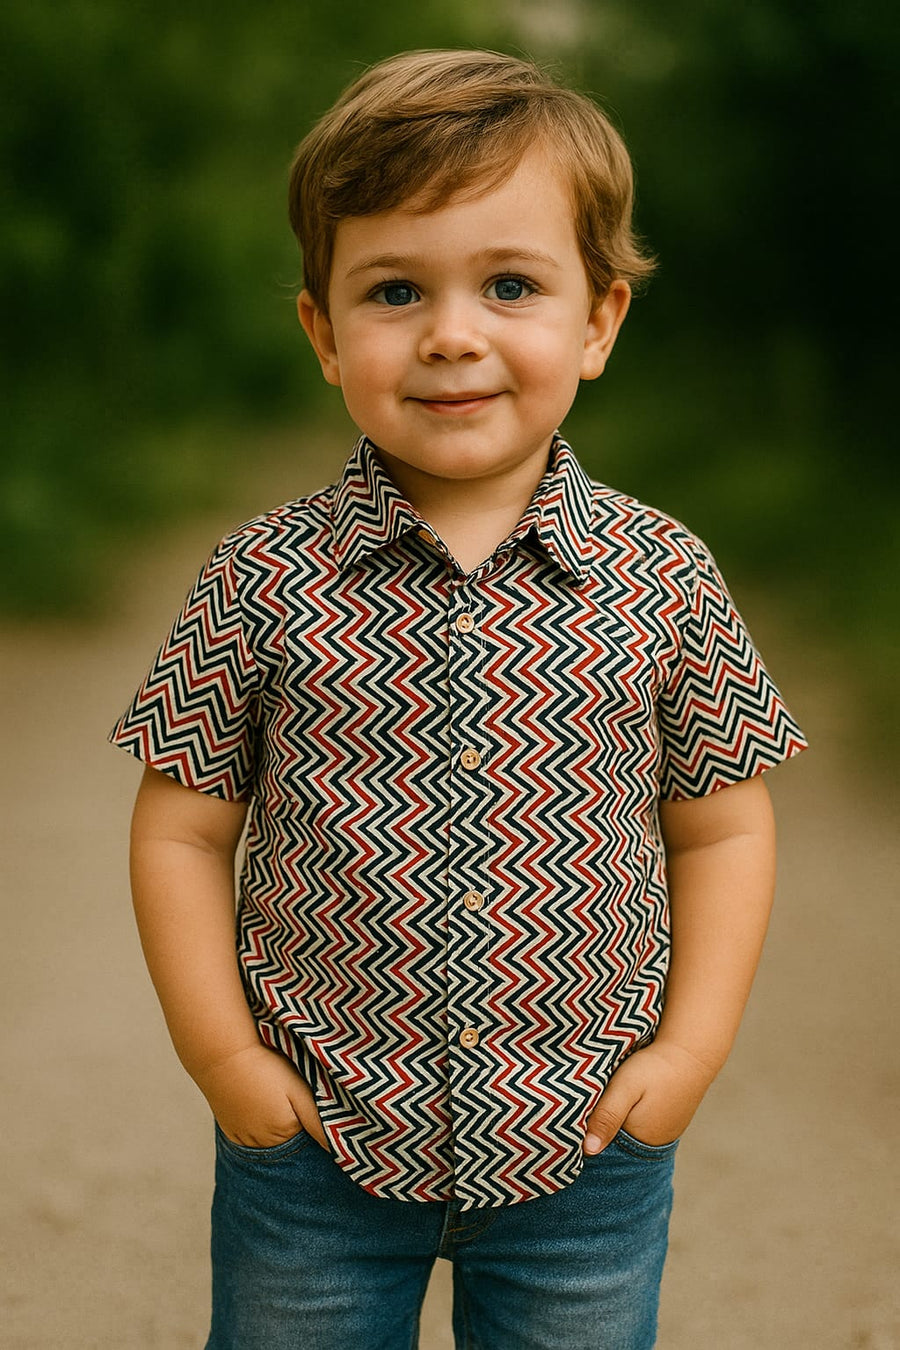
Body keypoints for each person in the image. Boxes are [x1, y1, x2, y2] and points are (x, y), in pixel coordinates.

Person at [110, 48, 807, 1350]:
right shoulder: (260, 575)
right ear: (323, 330)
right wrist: (228, 1066)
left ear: (597, 322)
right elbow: (182, 828)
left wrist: (689, 1056)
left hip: (586, 1138)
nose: (451, 331)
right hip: (313, 1134)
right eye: (392, 289)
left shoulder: (664, 573)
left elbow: (722, 823)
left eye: (509, 284)